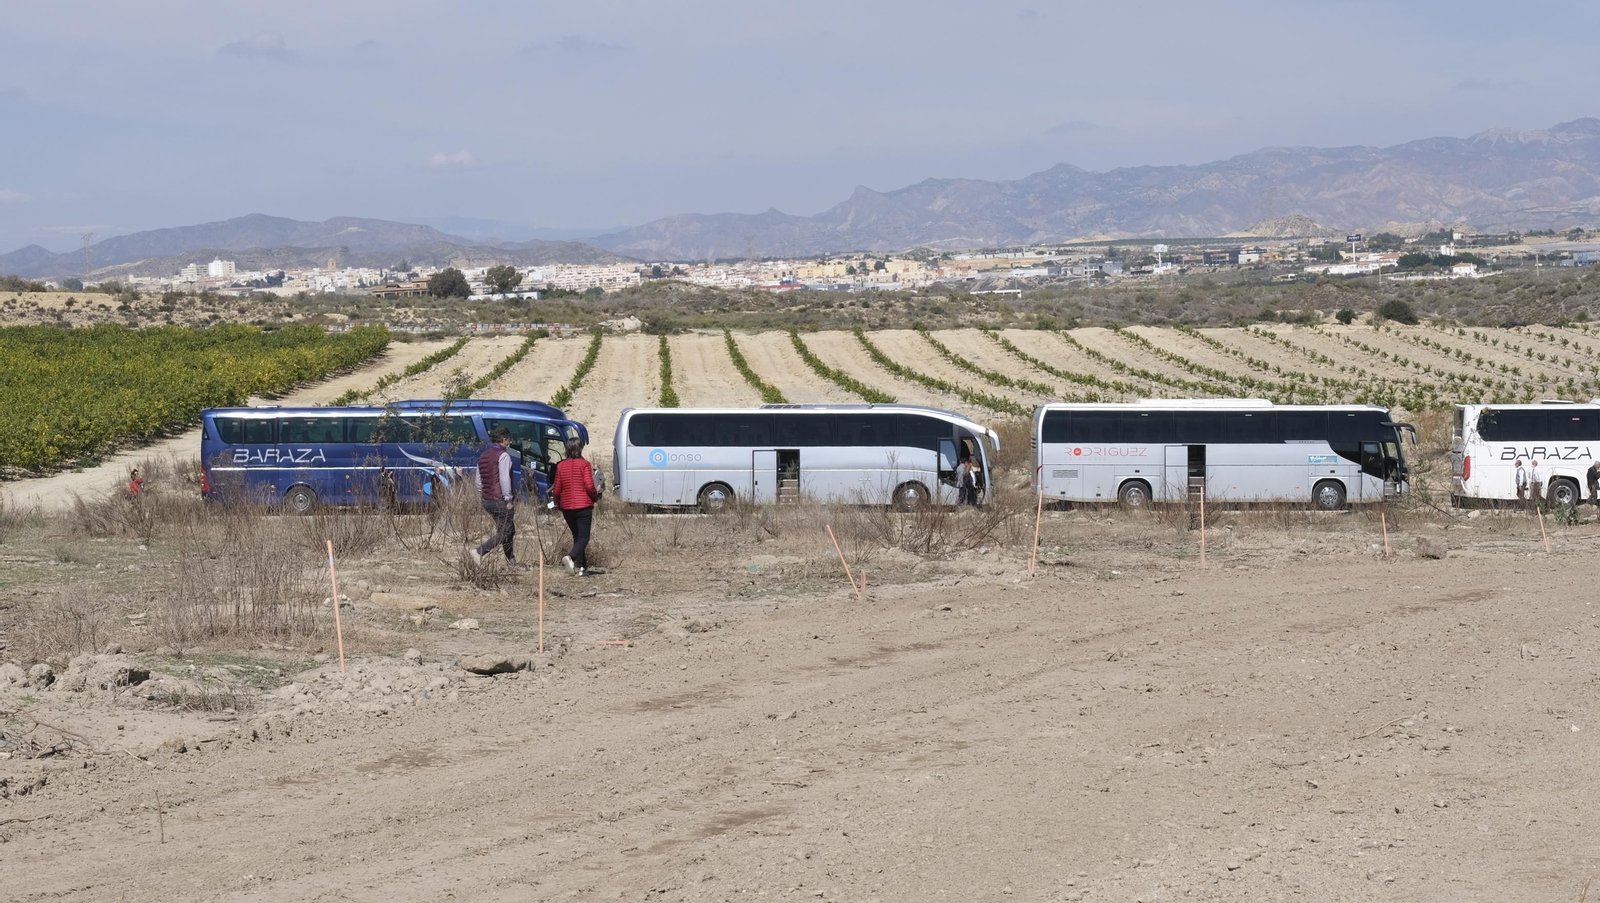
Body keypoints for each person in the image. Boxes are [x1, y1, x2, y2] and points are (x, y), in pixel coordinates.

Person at [550, 438, 602, 577]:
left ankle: (582, 568)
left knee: (577, 536)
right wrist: (595, 497)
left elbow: (556, 489)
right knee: (584, 537)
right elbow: (589, 486)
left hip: (567, 507)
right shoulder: (585, 464)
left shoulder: (561, 466)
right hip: (583, 505)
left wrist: (556, 503)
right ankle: (571, 557)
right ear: (580, 448)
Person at [470, 428, 518, 568]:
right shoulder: (503, 456)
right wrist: (508, 499)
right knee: (507, 531)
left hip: (487, 500)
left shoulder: (483, 456)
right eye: (508, 440)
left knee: (506, 530)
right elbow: (504, 479)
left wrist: (485, 494)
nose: (508, 443)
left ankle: (511, 561)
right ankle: (479, 551)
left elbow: (478, 482)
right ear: (504, 440)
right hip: (500, 500)